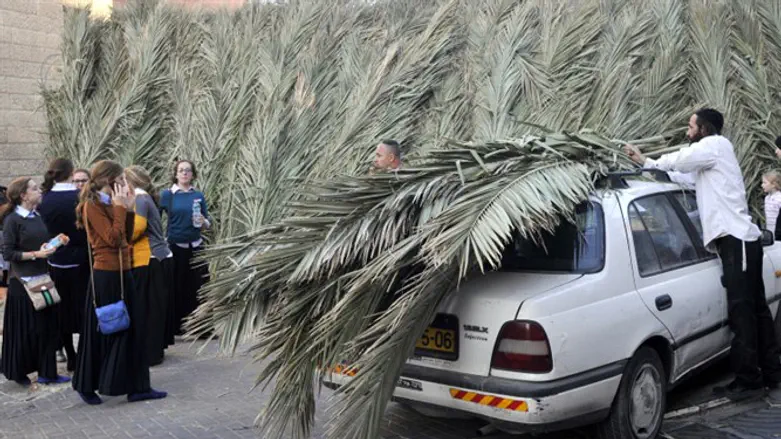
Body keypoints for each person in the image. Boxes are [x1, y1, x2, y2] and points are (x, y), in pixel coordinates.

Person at [625, 108, 781, 399]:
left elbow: (682, 159)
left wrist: (649, 159)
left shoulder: (714, 146)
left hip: (737, 241)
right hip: (740, 243)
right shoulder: (712, 159)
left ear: (705, 129)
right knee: (756, 309)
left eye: (690, 126)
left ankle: (749, 382)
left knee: (743, 312)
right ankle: (771, 374)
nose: (687, 131)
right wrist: (647, 166)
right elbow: (685, 178)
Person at [72, 160, 167, 405]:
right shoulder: (92, 206)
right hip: (106, 274)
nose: (125, 183)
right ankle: (86, 384)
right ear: (108, 180)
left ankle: (138, 386)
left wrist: (128, 207)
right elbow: (113, 239)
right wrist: (119, 207)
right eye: (121, 179)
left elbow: (124, 233)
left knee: (134, 329)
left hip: (125, 271)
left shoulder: (111, 204)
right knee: (103, 328)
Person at [1, 177, 69, 386]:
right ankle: (19, 371)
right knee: (25, 331)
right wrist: (35, 255)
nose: (39, 191)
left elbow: (40, 244)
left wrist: (54, 244)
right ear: (23, 195)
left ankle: (47, 372)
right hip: (22, 284)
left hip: (42, 279)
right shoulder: (13, 220)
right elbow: (8, 252)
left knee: (47, 328)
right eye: (34, 188)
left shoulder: (37, 216)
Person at [38, 158, 90, 371]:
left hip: (55, 259)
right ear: (70, 173)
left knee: (62, 310)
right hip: (82, 259)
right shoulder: (80, 198)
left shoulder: (45, 199)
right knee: (84, 308)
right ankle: (86, 353)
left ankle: (70, 354)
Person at [125, 166, 172, 365]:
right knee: (156, 307)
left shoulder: (139, 199)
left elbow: (136, 229)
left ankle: (151, 353)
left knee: (149, 307)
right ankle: (156, 349)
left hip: (150, 257)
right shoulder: (146, 198)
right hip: (159, 256)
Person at [160, 160, 211, 336]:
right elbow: (155, 219)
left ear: (193, 174)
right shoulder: (168, 195)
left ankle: (201, 327)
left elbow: (207, 221)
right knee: (177, 287)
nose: (184, 174)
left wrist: (204, 222)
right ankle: (176, 327)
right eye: (181, 170)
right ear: (175, 174)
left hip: (196, 246)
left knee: (199, 286)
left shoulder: (198, 195)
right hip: (176, 247)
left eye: (188, 171)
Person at [762, 171, 781, 237]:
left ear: (773, 184)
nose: (762, 185)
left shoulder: (779, 198)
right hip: (769, 230)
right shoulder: (767, 198)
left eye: (764, 183)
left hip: (778, 231)